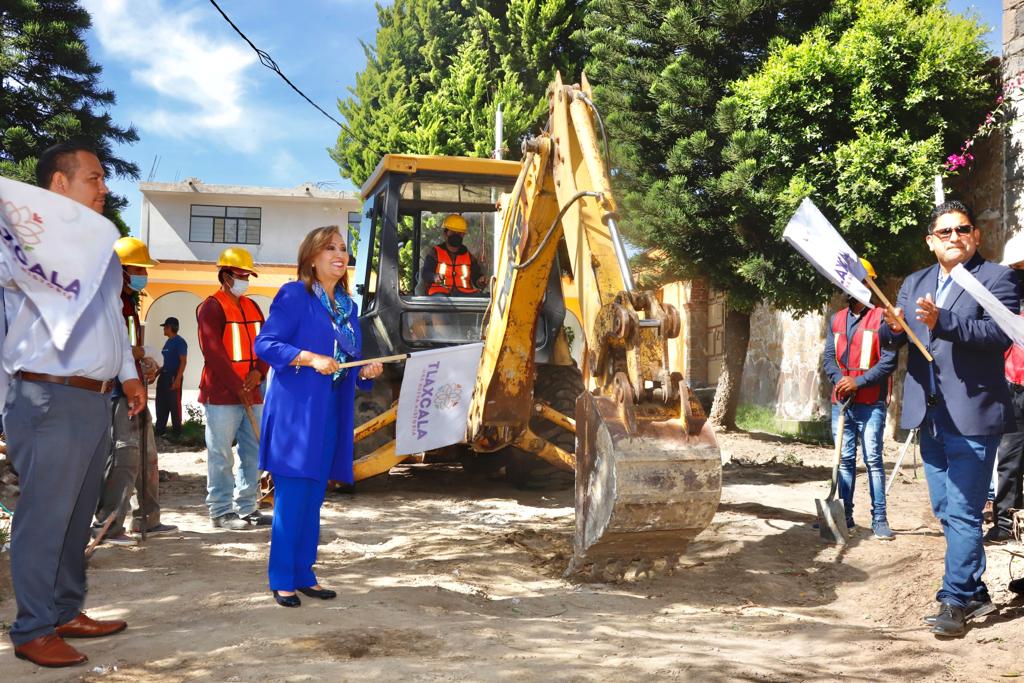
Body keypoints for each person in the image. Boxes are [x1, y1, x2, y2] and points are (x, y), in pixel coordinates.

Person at [2, 142, 146, 667]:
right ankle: (33, 628)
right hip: (46, 395)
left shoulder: (101, 254)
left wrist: (128, 378)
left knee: (77, 512)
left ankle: (64, 611)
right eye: (94, 178)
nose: (104, 188)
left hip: (94, 399)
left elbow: (110, 324)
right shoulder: (24, 241)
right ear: (59, 185)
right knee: (45, 515)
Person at [881, 200, 1018, 638]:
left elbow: (999, 335)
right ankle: (976, 592)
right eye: (945, 232)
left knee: (962, 511)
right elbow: (893, 341)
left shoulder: (998, 278)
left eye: (962, 229)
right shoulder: (915, 281)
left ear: (975, 236)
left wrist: (945, 322)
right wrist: (894, 328)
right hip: (930, 415)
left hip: (974, 414)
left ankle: (954, 601)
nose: (955, 237)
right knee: (944, 509)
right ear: (931, 241)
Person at [254, 226, 382, 607]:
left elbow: (345, 360)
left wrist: (363, 371)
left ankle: (304, 573)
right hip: (296, 412)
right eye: (330, 248)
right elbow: (266, 343)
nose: (339, 255)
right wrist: (309, 358)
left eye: (343, 249)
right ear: (311, 256)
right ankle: (282, 579)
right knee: (292, 497)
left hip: (329, 411)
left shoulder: (347, 306)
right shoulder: (295, 295)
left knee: (313, 498)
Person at [93, 237, 178, 545]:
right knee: (124, 456)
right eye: (137, 268)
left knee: (148, 458)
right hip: (116, 395)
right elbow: (111, 348)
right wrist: (140, 354)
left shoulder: (128, 302)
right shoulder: (107, 301)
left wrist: (143, 362)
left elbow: (129, 351)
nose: (144, 274)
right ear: (120, 270)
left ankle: (148, 520)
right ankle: (109, 526)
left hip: (134, 391)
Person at [196, 247, 272, 530]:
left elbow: (266, 343)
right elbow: (212, 352)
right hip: (222, 396)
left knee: (252, 451)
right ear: (226, 277)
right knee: (221, 453)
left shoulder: (252, 307)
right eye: (240, 276)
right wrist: (236, 384)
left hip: (252, 392)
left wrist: (258, 372)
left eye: (247, 276)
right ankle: (221, 510)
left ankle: (247, 507)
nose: (245, 281)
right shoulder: (210, 307)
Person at [821, 259, 898, 540]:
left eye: (863, 281)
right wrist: (839, 380)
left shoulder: (882, 318)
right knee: (844, 461)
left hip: (870, 402)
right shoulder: (837, 319)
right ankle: (846, 516)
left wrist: (858, 382)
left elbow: (889, 361)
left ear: (870, 284)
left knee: (874, 461)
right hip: (841, 401)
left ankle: (880, 519)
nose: (857, 287)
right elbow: (829, 356)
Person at [986, 235, 1024, 545]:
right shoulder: (1007, 302)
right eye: (1018, 268)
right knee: (1009, 459)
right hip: (1013, 389)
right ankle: (1005, 525)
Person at [419, 214, 486, 296]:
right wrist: (434, 277)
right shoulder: (435, 253)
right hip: (440, 294)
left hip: (465, 295)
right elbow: (425, 273)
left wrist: (480, 281)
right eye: (453, 232)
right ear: (445, 234)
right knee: (441, 303)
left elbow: (476, 277)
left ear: (463, 235)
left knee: (486, 298)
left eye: (460, 233)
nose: (456, 235)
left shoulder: (468, 256)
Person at [154, 316, 187, 436]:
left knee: (174, 405)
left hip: (173, 377)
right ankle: (159, 430)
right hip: (163, 376)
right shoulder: (168, 342)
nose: (163, 329)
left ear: (169, 327)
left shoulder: (180, 342)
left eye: (165, 327)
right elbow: (164, 362)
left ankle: (177, 433)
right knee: (161, 403)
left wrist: (178, 379)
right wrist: (155, 375)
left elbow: (183, 361)